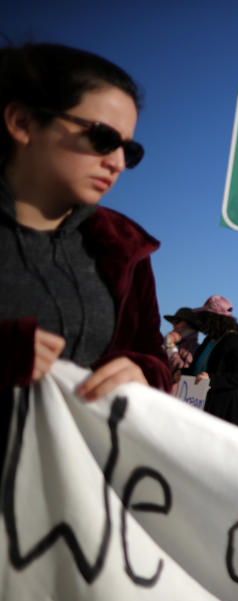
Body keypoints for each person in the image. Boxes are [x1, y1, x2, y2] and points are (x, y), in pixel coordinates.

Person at [1, 43, 169, 466]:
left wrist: (143, 374)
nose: (115, 162)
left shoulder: (125, 246)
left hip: (70, 494)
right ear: (22, 122)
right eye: (102, 138)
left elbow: (151, 357)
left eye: (129, 150)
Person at [183, 296, 238, 426]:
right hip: (198, 406)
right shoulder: (208, 341)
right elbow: (198, 369)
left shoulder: (235, 342)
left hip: (220, 413)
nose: (201, 322)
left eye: (205, 318)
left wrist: (212, 380)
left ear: (215, 319)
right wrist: (181, 373)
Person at [162, 306, 200, 384]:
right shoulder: (175, 344)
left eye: (177, 321)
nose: (173, 325)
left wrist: (171, 349)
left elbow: (184, 372)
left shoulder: (194, 348)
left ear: (190, 325)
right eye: (173, 322)